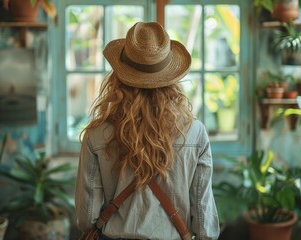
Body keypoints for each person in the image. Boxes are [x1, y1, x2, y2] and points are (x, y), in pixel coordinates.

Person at [75, 21, 220, 240]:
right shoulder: (195, 133)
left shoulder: (97, 135)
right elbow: (203, 221)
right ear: (171, 79)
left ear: (118, 78)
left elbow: (87, 218)